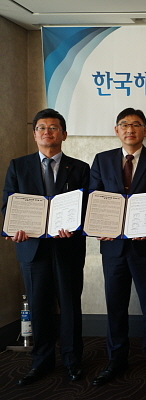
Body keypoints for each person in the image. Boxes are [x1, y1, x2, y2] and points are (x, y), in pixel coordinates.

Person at [2, 109, 89, 385]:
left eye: (53, 128)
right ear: (34, 135)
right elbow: (8, 204)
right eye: (41, 128)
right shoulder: (18, 166)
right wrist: (13, 227)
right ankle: (41, 362)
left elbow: (87, 207)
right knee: (39, 306)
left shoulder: (80, 168)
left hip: (67, 247)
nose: (47, 132)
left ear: (64, 134)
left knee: (70, 307)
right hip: (32, 248)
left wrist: (75, 226)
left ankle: (73, 361)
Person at [90, 108, 146, 385]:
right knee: (115, 305)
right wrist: (100, 225)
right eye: (124, 124)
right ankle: (116, 359)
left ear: (145, 131)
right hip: (113, 246)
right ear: (116, 130)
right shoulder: (102, 160)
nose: (130, 129)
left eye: (136, 125)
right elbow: (94, 196)